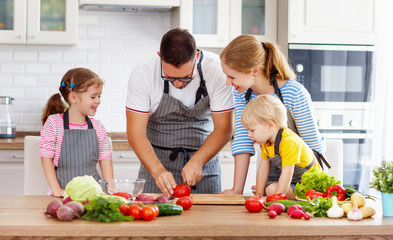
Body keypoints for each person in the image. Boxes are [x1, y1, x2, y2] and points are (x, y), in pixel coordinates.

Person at [126, 28, 234, 196]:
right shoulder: (143, 72)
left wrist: (198, 160)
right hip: (156, 163)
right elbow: (135, 132)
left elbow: (224, 128)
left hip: (203, 165)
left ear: (197, 57)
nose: (177, 84)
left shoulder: (217, 70)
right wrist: (157, 171)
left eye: (185, 78)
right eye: (169, 77)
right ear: (159, 56)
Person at [219, 35, 326, 194]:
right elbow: (243, 140)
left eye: (232, 77)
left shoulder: (294, 94)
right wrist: (237, 190)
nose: (228, 83)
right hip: (275, 176)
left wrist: (319, 190)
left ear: (254, 71)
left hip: (303, 177)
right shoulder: (243, 94)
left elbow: (313, 147)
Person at [40, 67, 113, 197]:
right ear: (73, 98)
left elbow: (105, 160)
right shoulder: (53, 123)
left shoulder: (98, 127)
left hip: (93, 194)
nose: (98, 101)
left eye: (99, 96)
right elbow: (46, 159)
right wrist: (57, 190)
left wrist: (110, 189)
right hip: (62, 194)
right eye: (93, 96)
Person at [241, 94, 322, 199]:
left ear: (270, 125)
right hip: (294, 182)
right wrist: (259, 194)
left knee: (271, 190)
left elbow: (287, 174)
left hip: (309, 186)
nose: (249, 134)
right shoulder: (266, 142)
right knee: (267, 189)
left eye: (252, 130)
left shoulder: (289, 142)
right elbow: (263, 169)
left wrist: (276, 199)